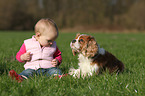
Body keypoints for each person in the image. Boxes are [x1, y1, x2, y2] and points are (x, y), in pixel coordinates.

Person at [9, 18, 66, 82]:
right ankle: (20, 78)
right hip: (32, 68)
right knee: (27, 72)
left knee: (55, 71)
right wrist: (23, 57)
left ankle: (59, 77)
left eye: (53, 40)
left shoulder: (53, 45)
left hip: (49, 68)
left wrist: (57, 61)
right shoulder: (28, 44)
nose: (51, 43)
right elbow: (18, 55)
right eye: (49, 40)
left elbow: (58, 55)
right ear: (38, 35)